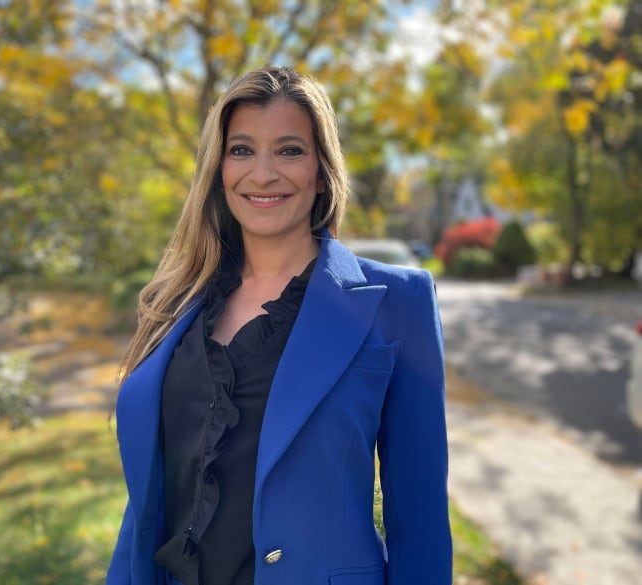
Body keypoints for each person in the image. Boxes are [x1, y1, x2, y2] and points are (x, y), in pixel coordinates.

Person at [107, 65, 452, 585]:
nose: (263, 174)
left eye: (290, 150)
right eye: (241, 150)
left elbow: (420, 515)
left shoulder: (397, 303)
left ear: (321, 169)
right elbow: (152, 498)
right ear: (219, 169)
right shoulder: (173, 302)